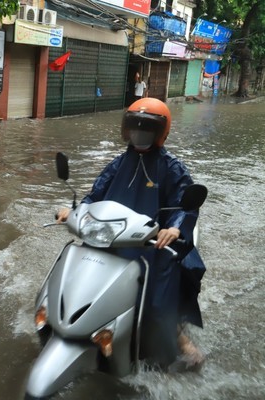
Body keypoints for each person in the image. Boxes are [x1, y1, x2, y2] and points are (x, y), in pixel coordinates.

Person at [56, 98, 205, 370]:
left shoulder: (172, 167)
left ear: (162, 133)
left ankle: (178, 339)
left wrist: (173, 228)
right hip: (112, 237)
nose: (139, 133)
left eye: (146, 128)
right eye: (135, 127)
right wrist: (76, 209)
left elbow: (185, 205)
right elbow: (95, 193)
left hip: (153, 245)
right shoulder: (118, 163)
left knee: (156, 301)